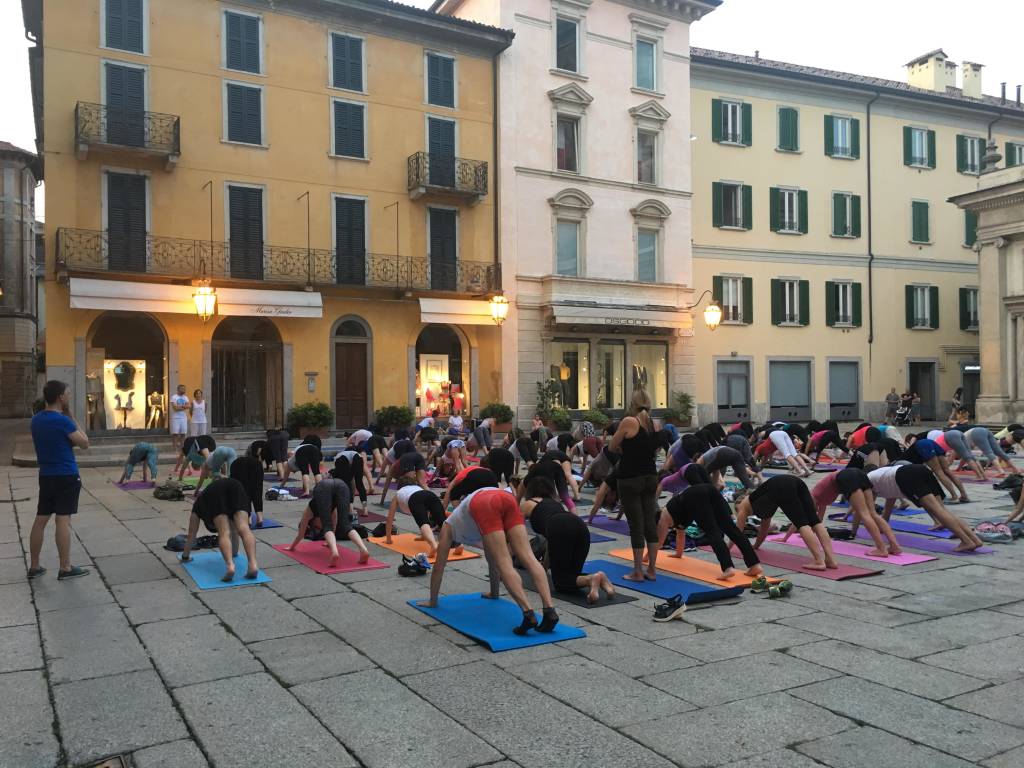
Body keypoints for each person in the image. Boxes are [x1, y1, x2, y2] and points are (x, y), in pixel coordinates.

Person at [420, 487, 559, 635]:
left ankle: (528, 614)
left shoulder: (448, 527)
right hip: (505, 497)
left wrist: (432, 601)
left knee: (504, 563)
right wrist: (494, 593)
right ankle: (550, 611)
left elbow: (439, 567)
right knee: (529, 558)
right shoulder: (467, 520)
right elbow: (490, 559)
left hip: (484, 502)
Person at [28, 381, 90, 580]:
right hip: (66, 475)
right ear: (60, 397)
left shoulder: (36, 420)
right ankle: (65, 567)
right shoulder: (63, 421)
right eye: (68, 393)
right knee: (63, 519)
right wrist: (72, 418)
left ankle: (35, 565)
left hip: (46, 475)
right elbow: (84, 444)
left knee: (41, 519)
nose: (69, 396)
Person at [521, 476, 614, 603]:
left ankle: (591, 579)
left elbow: (518, 536)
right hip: (580, 527)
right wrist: (544, 568)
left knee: (561, 583)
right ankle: (601, 579)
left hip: (560, 529)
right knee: (571, 577)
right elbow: (551, 543)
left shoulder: (526, 504)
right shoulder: (555, 503)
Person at [658, 483, 764, 580]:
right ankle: (754, 565)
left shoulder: (663, 517)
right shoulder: (675, 514)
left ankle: (728, 568)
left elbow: (659, 542)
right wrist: (678, 554)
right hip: (709, 489)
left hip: (696, 495)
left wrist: (644, 559)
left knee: (712, 531)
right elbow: (680, 535)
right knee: (731, 529)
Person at [867, 464, 983, 552]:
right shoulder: (881, 476)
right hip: (920, 469)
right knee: (942, 510)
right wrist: (884, 523)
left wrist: (854, 530)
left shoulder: (868, 480)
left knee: (937, 511)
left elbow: (866, 508)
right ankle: (975, 540)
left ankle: (966, 541)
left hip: (907, 475)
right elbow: (890, 501)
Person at [608, 389, 660, 582]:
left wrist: (625, 449)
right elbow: (655, 448)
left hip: (630, 477)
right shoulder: (654, 423)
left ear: (632, 404)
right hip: (650, 476)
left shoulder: (629, 421)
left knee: (636, 525)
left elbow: (612, 447)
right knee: (649, 523)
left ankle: (638, 571)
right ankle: (652, 570)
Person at [735, 474, 838, 571]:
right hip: (796, 481)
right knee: (815, 521)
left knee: (802, 524)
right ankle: (831, 560)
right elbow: (763, 530)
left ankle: (819, 561)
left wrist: (727, 549)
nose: (739, 513)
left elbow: (736, 531)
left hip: (782, 486)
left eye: (737, 509)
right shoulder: (765, 506)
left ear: (739, 502)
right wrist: (756, 546)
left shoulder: (744, 505)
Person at [808, 467, 901, 557]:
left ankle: (881, 548)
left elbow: (809, 515)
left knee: (864, 514)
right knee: (873, 513)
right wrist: (813, 531)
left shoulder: (813, 496)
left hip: (846, 477)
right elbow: (818, 517)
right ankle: (894, 546)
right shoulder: (820, 496)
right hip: (858, 473)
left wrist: (803, 531)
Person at [181, 477, 260, 582]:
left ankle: (230, 566)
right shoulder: (204, 502)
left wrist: (185, 556)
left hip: (215, 493)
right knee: (244, 528)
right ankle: (253, 564)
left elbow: (191, 533)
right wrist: (234, 553)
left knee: (224, 532)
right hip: (236, 485)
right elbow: (235, 533)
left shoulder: (199, 505)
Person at [288, 478, 370, 566]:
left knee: (327, 525)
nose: (320, 527)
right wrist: (328, 543)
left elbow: (300, 535)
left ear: (311, 522)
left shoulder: (309, 512)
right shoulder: (331, 510)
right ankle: (363, 549)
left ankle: (335, 553)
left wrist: (291, 547)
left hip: (323, 488)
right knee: (346, 525)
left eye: (317, 527)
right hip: (341, 485)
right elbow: (333, 529)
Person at [385, 484, 451, 559]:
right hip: (430, 495)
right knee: (443, 521)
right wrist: (423, 536)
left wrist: (388, 539)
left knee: (423, 523)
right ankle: (458, 544)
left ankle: (433, 545)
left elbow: (389, 519)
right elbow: (425, 512)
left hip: (415, 498)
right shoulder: (416, 487)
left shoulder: (398, 494)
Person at [902, 434, 969, 504]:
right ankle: (964, 495)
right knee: (947, 470)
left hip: (924, 446)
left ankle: (954, 497)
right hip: (931, 442)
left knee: (939, 472)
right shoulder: (914, 445)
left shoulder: (905, 457)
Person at [330, 449, 372, 515]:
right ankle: (365, 509)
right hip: (358, 457)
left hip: (343, 459)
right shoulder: (345, 454)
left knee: (347, 484)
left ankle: (351, 509)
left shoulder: (337, 459)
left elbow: (347, 480)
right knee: (359, 484)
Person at [229, 455, 265, 527]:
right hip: (257, 468)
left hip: (239, 470)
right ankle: (260, 518)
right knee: (257, 491)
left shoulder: (235, 464)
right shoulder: (256, 462)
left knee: (244, 492)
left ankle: (249, 519)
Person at [168, 384, 190, 463]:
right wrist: (184, 406)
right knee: (175, 434)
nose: (184, 390)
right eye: (182, 388)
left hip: (183, 418)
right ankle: (175, 449)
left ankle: (182, 449)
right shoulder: (174, 397)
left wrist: (181, 406)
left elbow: (189, 406)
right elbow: (175, 408)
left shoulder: (186, 397)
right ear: (178, 389)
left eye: (185, 388)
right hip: (176, 418)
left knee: (183, 434)